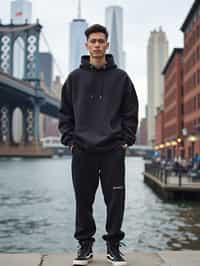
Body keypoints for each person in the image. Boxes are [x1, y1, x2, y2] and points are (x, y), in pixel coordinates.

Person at [58, 24, 139, 266]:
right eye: (92, 41)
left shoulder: (121, 78)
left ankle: (113, 247)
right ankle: (85, 247)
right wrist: (70, 141)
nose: (96, 45)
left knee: (115, 200)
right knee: (83, 200)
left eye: (100, 41)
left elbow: (131, 113)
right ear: (86, 45)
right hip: (83, 150)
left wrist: (125, 141)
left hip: (113, 150)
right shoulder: (74, 79)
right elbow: (65, 114)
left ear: (107, 44)